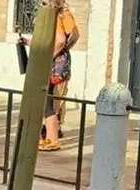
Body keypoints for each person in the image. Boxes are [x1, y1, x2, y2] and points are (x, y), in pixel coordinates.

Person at [39, 0, 80, 151]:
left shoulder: (62, 14)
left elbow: (69, 37)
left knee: (53, 102)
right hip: (54, 62)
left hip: (57, 64)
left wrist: (57, 52)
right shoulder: (52, 14)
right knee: (50, 101)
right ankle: (51, 135)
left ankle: (52, 138)